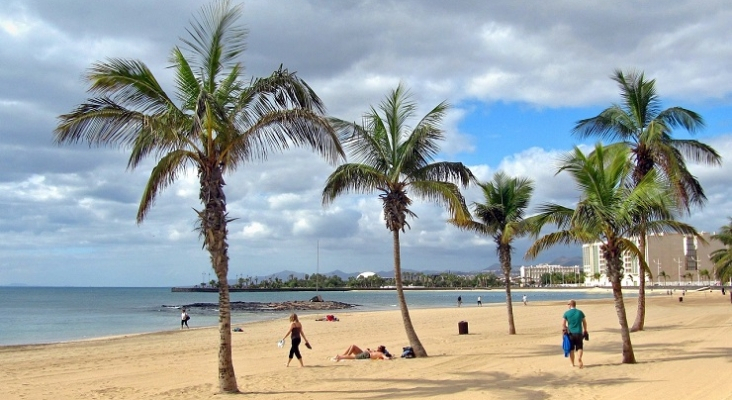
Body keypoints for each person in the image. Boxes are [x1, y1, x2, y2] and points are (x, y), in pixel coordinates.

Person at [562, 299, 588, 368]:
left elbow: (563, 324)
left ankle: (572, 364)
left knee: (571, 349)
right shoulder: (580, 312)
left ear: (570, 305)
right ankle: (579, 358)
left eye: (568, 304)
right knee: (579, 347)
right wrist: (585, 330)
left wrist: (565, 329)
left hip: (571, 334)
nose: (567, 305)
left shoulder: (566, 313)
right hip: (579, 333)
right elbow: (584, 322)